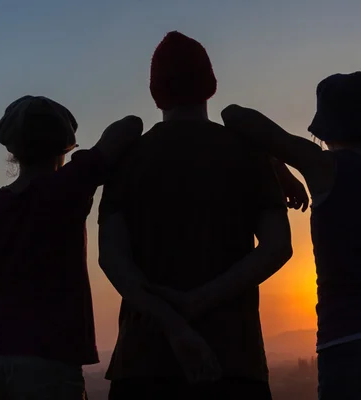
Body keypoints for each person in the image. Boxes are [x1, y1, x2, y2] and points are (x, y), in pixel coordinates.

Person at [222, 71, 361, 400]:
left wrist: (280, 166)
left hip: (348, 346)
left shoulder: (321, 167)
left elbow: (234, 116)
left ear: (325, 131)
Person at [98, 31, 300, 400]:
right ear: (210, 87)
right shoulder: (249, 155)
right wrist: (199, 301)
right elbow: (277, 248)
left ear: (155, 93)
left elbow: (111, 258)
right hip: (233, 361)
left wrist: (172, 323)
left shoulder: (128, 159)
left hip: (143, 361)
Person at [0, 95, 143, 400]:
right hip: (50, 358)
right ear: (65, 145)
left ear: (11, 150)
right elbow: (130, 126)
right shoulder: (69, 186)